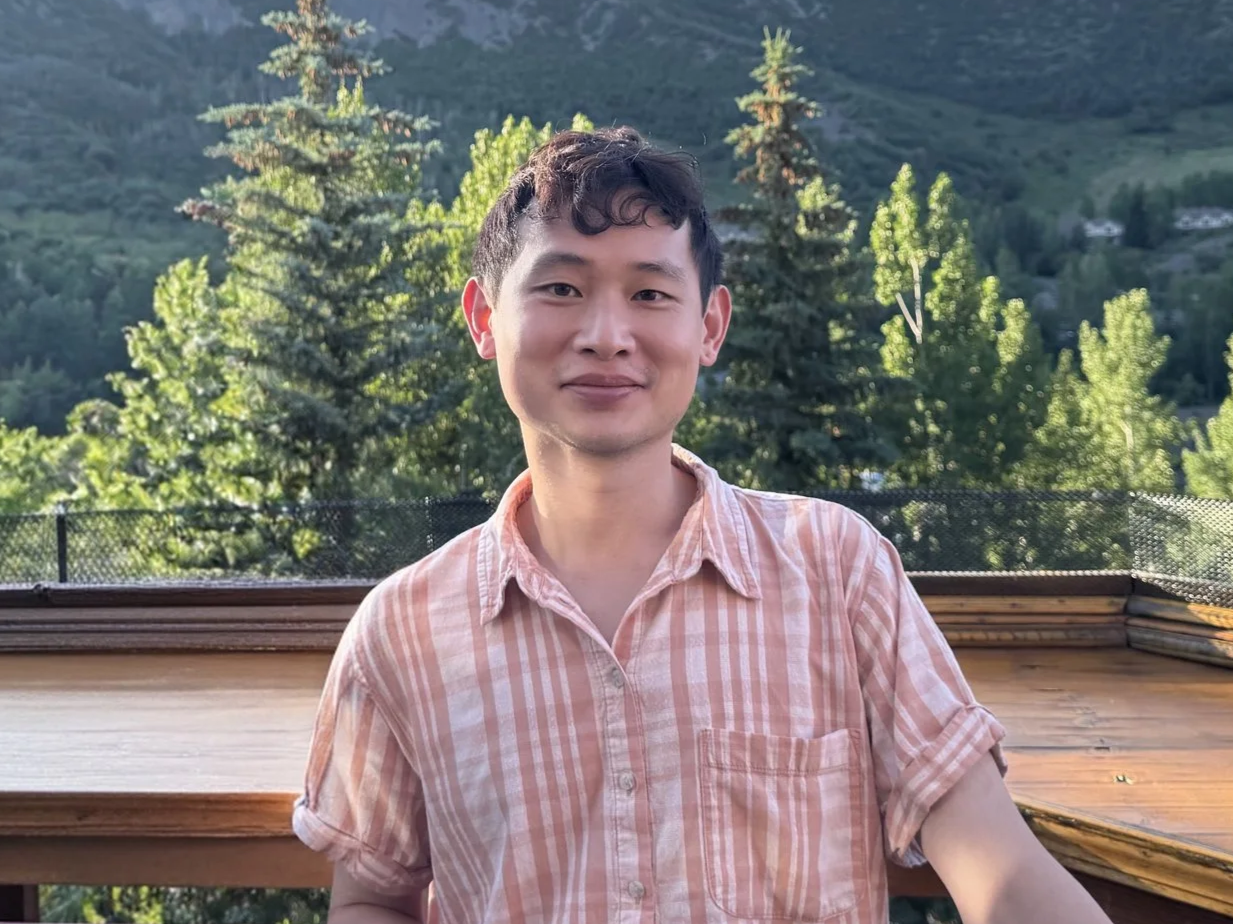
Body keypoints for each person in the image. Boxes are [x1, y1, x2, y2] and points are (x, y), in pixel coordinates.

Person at [292, 127, 1113, 924]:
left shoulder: (835, 570)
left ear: (709, 326)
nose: (606, 337)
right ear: (483, 317)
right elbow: (373, 899)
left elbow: (999, 872)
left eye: (649, 294)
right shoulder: (402, 632)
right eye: (560, 289)